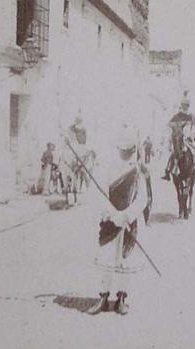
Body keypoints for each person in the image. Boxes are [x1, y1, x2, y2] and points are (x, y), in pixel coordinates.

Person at [86, 125, 152, 315]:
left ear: (133, 150)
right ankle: (103, 298)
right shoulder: (108, 168)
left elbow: (143, 199)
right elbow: (101, 193)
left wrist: (126, 216)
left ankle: (121, 299)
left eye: (129, 150)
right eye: (122, 150)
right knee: (106, 259)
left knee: (125, 260)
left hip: (128, 223)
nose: (125, 154)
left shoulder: (139, 171)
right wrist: (112, 214)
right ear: (117, 149)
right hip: (110, 222)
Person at [161, 95, 195, 181]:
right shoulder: (177, 116)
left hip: (188, 139)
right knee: (172, 153)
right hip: (178, 138)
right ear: (181, 106)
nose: (185, 107)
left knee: (194, 151)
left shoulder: (191, 116)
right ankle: (167, 171)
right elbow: (169, 125)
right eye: (183, 105)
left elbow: (193, 128)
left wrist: (191, 136)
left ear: (188, 106)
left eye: (186, 105)